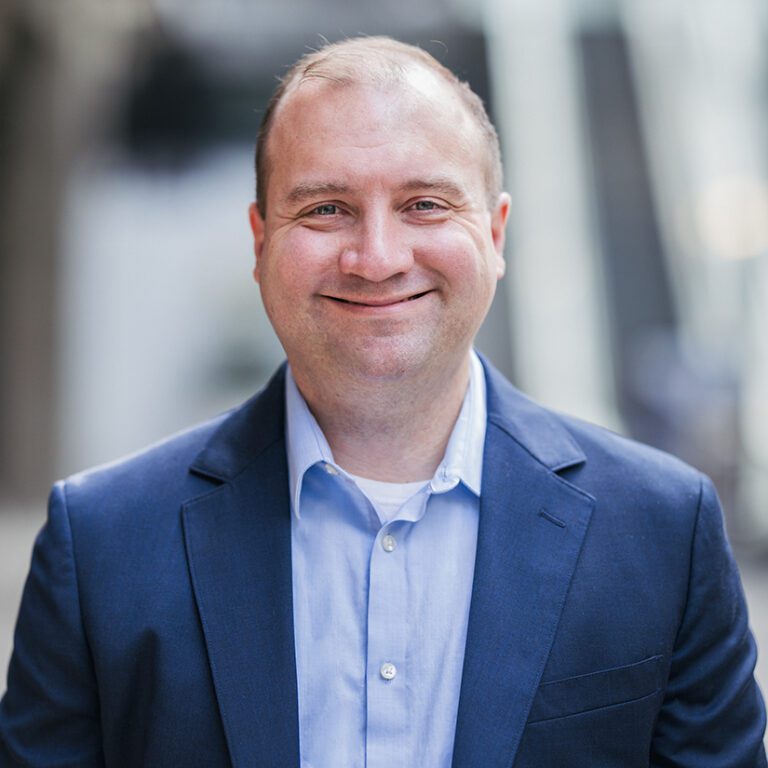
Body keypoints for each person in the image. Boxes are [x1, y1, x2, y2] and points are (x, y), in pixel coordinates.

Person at [0, 36, 765, 768]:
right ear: (260, 241)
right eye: (326, 208)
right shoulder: (100, 547)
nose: (377, 258)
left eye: (426, 204)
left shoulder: (664, 533)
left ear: (495, 234)